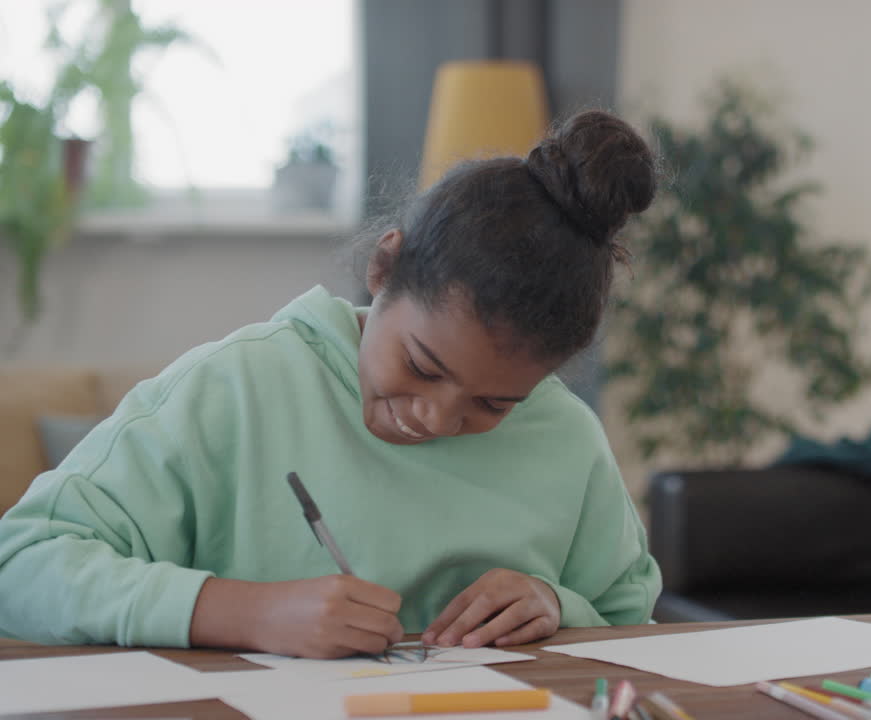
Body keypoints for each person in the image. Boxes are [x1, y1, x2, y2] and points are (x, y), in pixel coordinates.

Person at [0, 109, 662, 659]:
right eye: (423, 367)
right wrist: (244, 613)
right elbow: (21, 567)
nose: (434, 418)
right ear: (384, 266)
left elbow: (632, 622)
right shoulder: (237, 388)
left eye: (493, 404)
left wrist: (555, 603)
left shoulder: (566, 437)